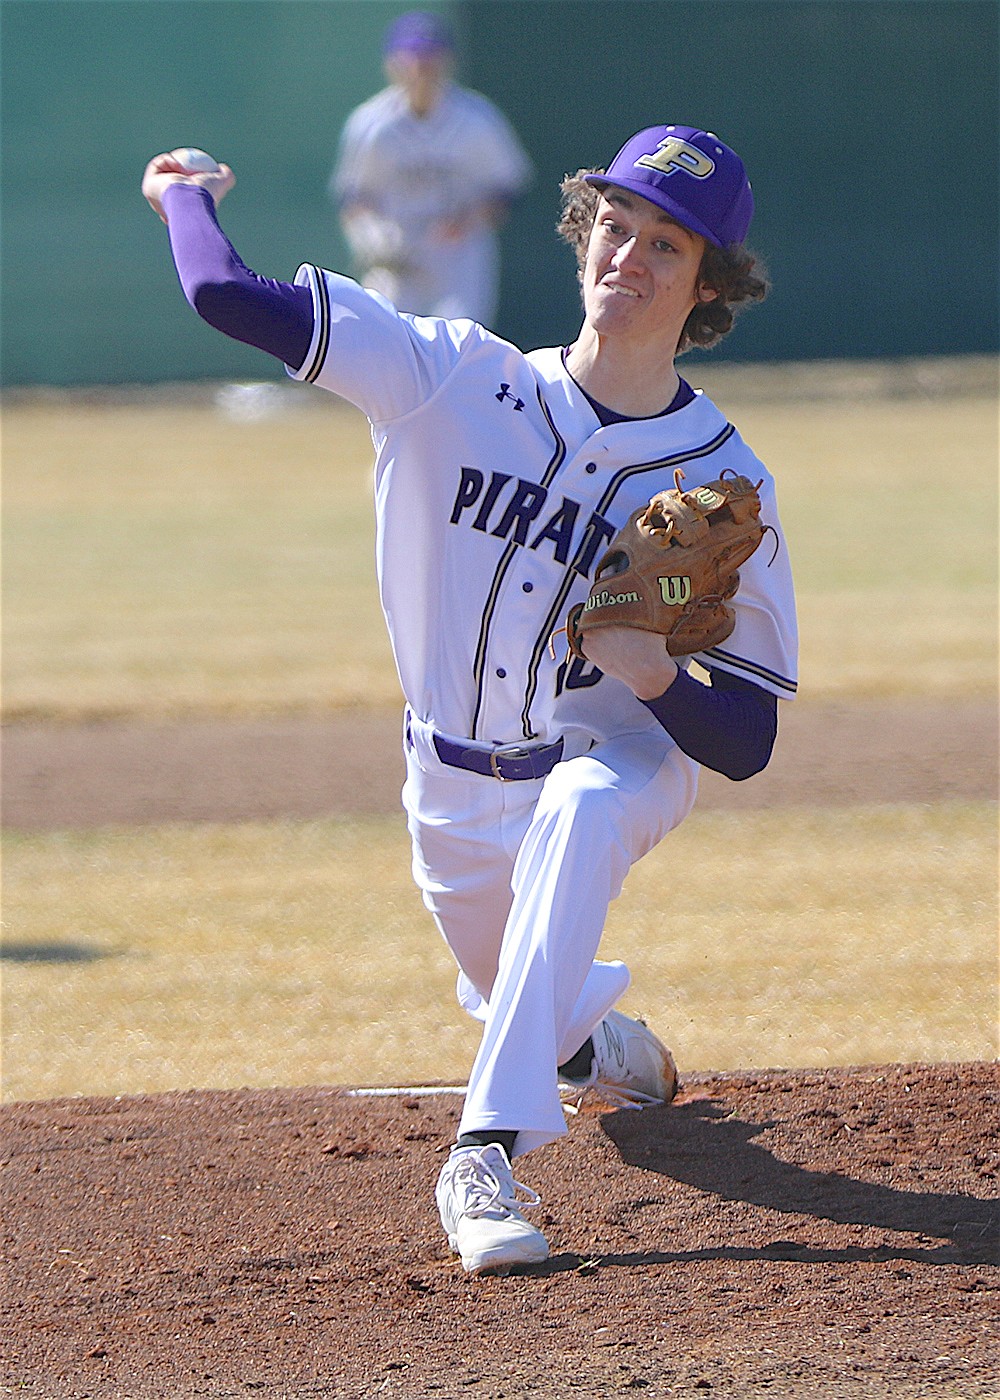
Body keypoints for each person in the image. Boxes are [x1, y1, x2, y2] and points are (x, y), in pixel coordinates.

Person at [142, 121, 798, 1276]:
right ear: (582, 231)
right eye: (614, 224)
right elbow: (222, 296)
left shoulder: (724, 478)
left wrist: (653, 671)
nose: (626, 259)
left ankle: (480, 1154)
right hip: (448, 780)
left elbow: (747, 737)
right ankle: (594, 1046)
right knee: (519, 986)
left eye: (664, 245)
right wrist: (183, 193)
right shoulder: (451, 375)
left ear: (709, 286)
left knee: (581, 810)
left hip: (619, 753)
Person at [328, 9, 533, 324]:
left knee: (460, 344)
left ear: (448, 62)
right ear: (391, 63)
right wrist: (371, 237)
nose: (420, 67)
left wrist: (468, 219)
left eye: (430, 56)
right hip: (396, 257)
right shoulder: (370, 124)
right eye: (411, 56)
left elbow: (508, 189)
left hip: (457, 256)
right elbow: (353, 196)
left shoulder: (477, 119)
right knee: (387, 340)